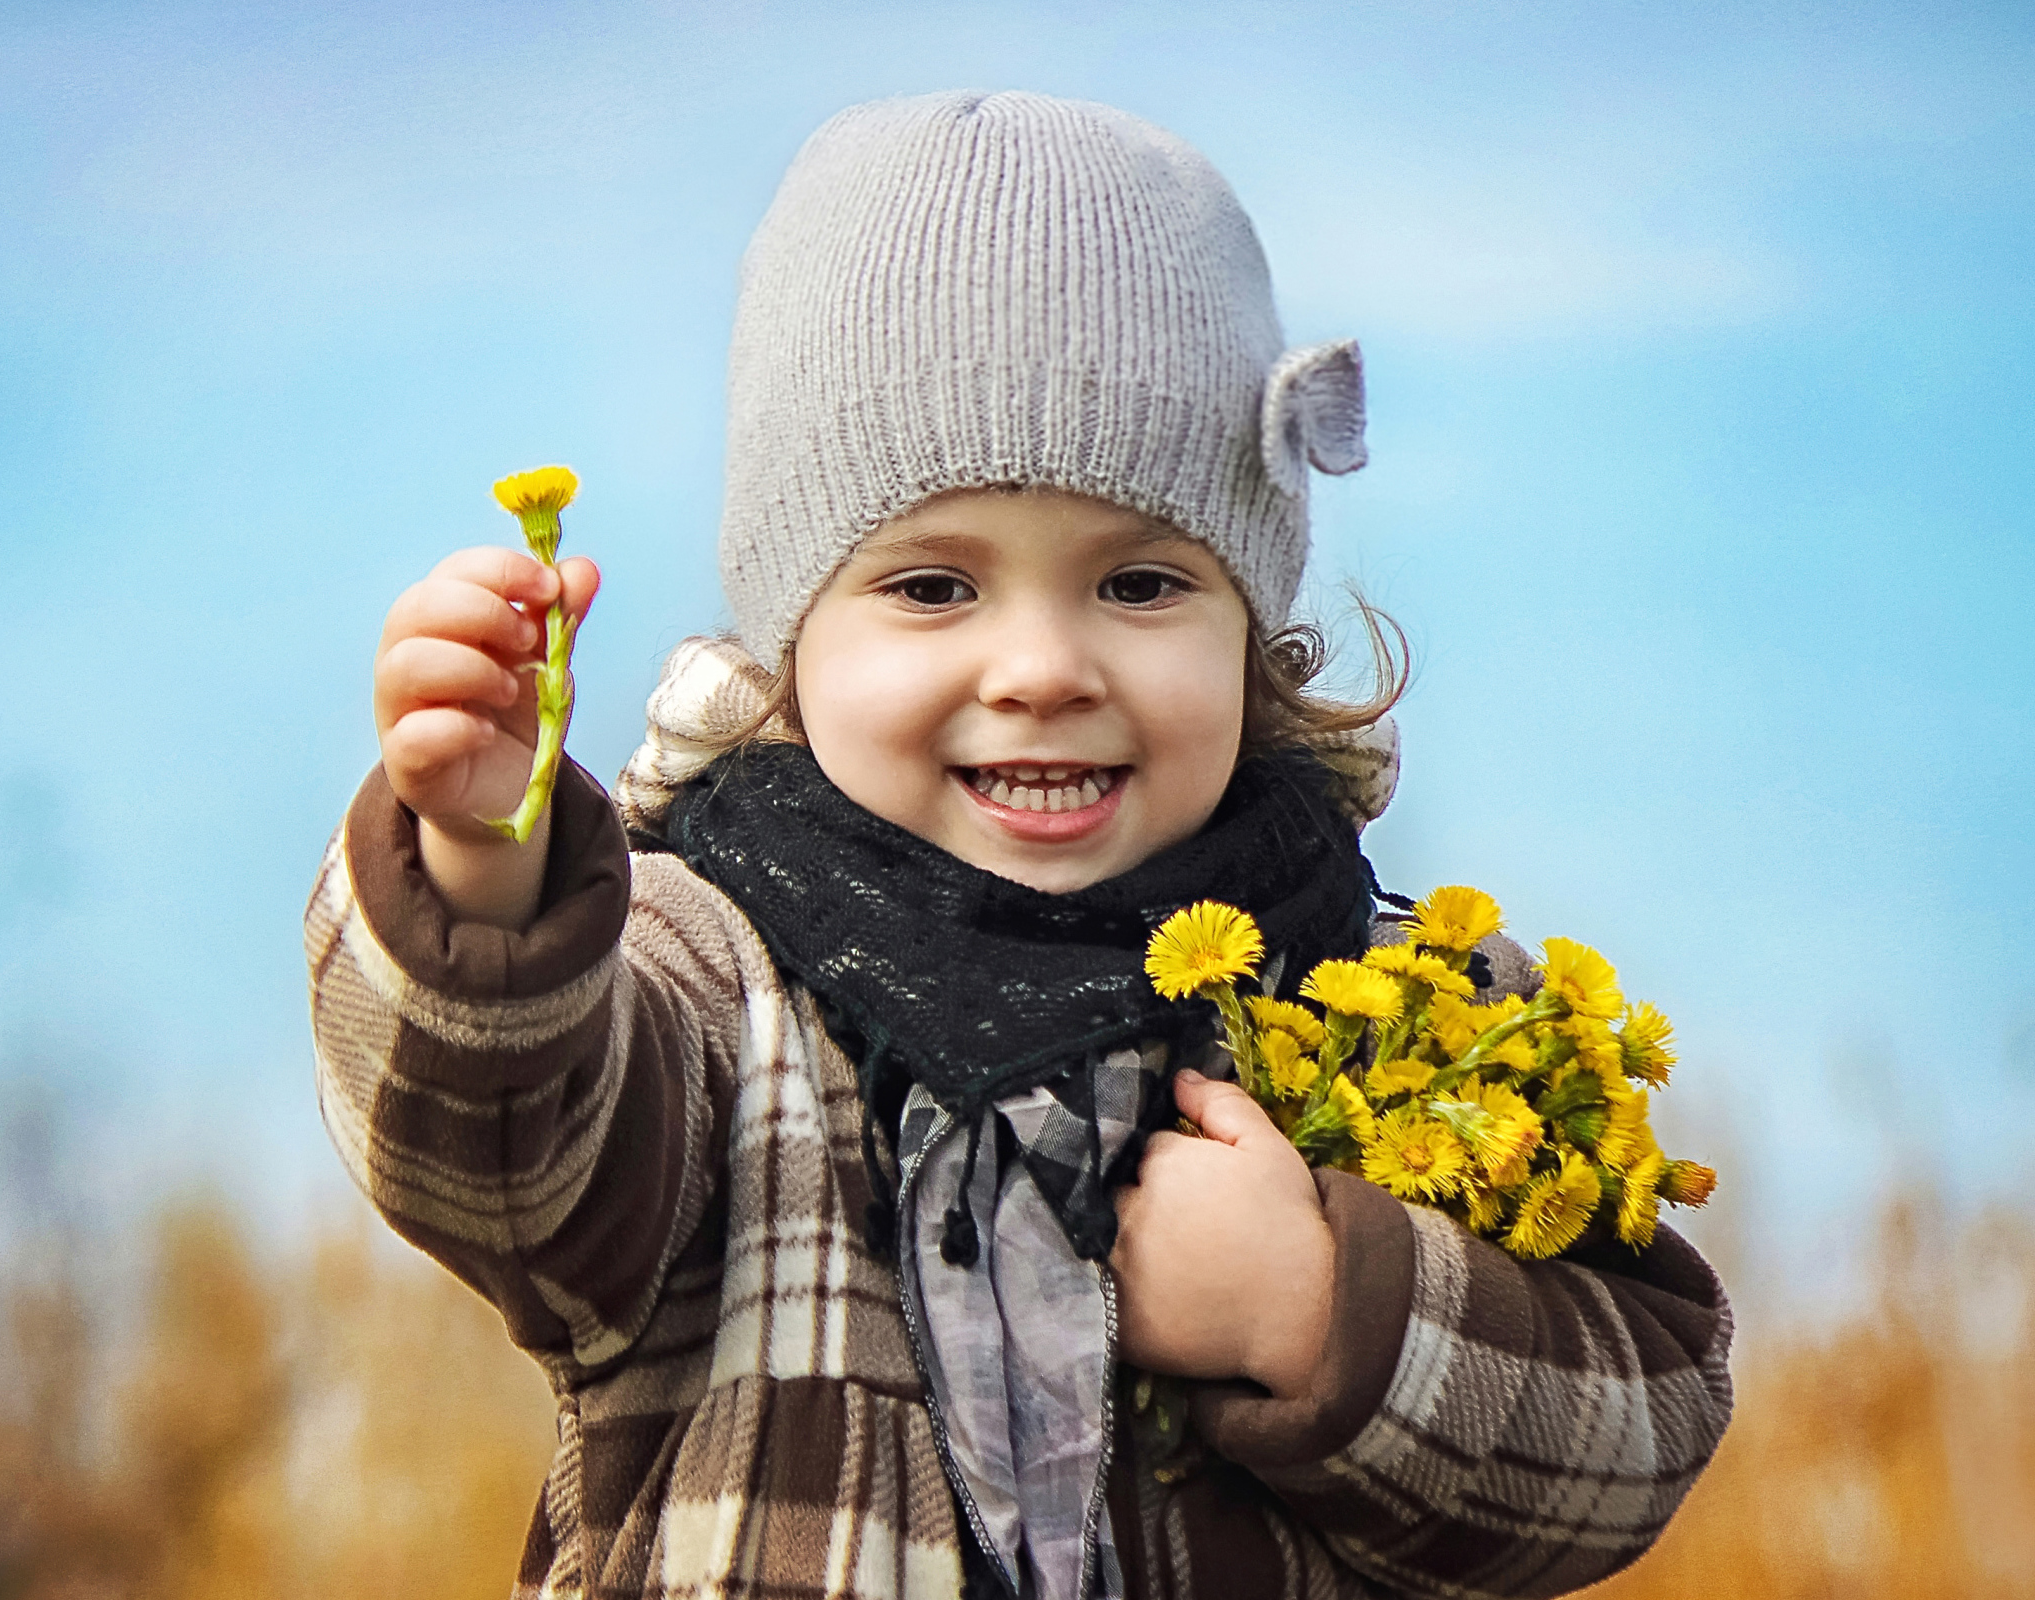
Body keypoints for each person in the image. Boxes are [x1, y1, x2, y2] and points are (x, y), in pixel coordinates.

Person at [310, 91, 1732, 1600]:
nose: (1041, 668)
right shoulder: (710, 974)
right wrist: (482, 866)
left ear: (1254, 627)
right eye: (932, 588)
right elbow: (498, 1157)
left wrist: (1319, 1311)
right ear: (794, 645)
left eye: (1138, 585)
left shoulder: (1394, 1004)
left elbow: (1640, 1420)